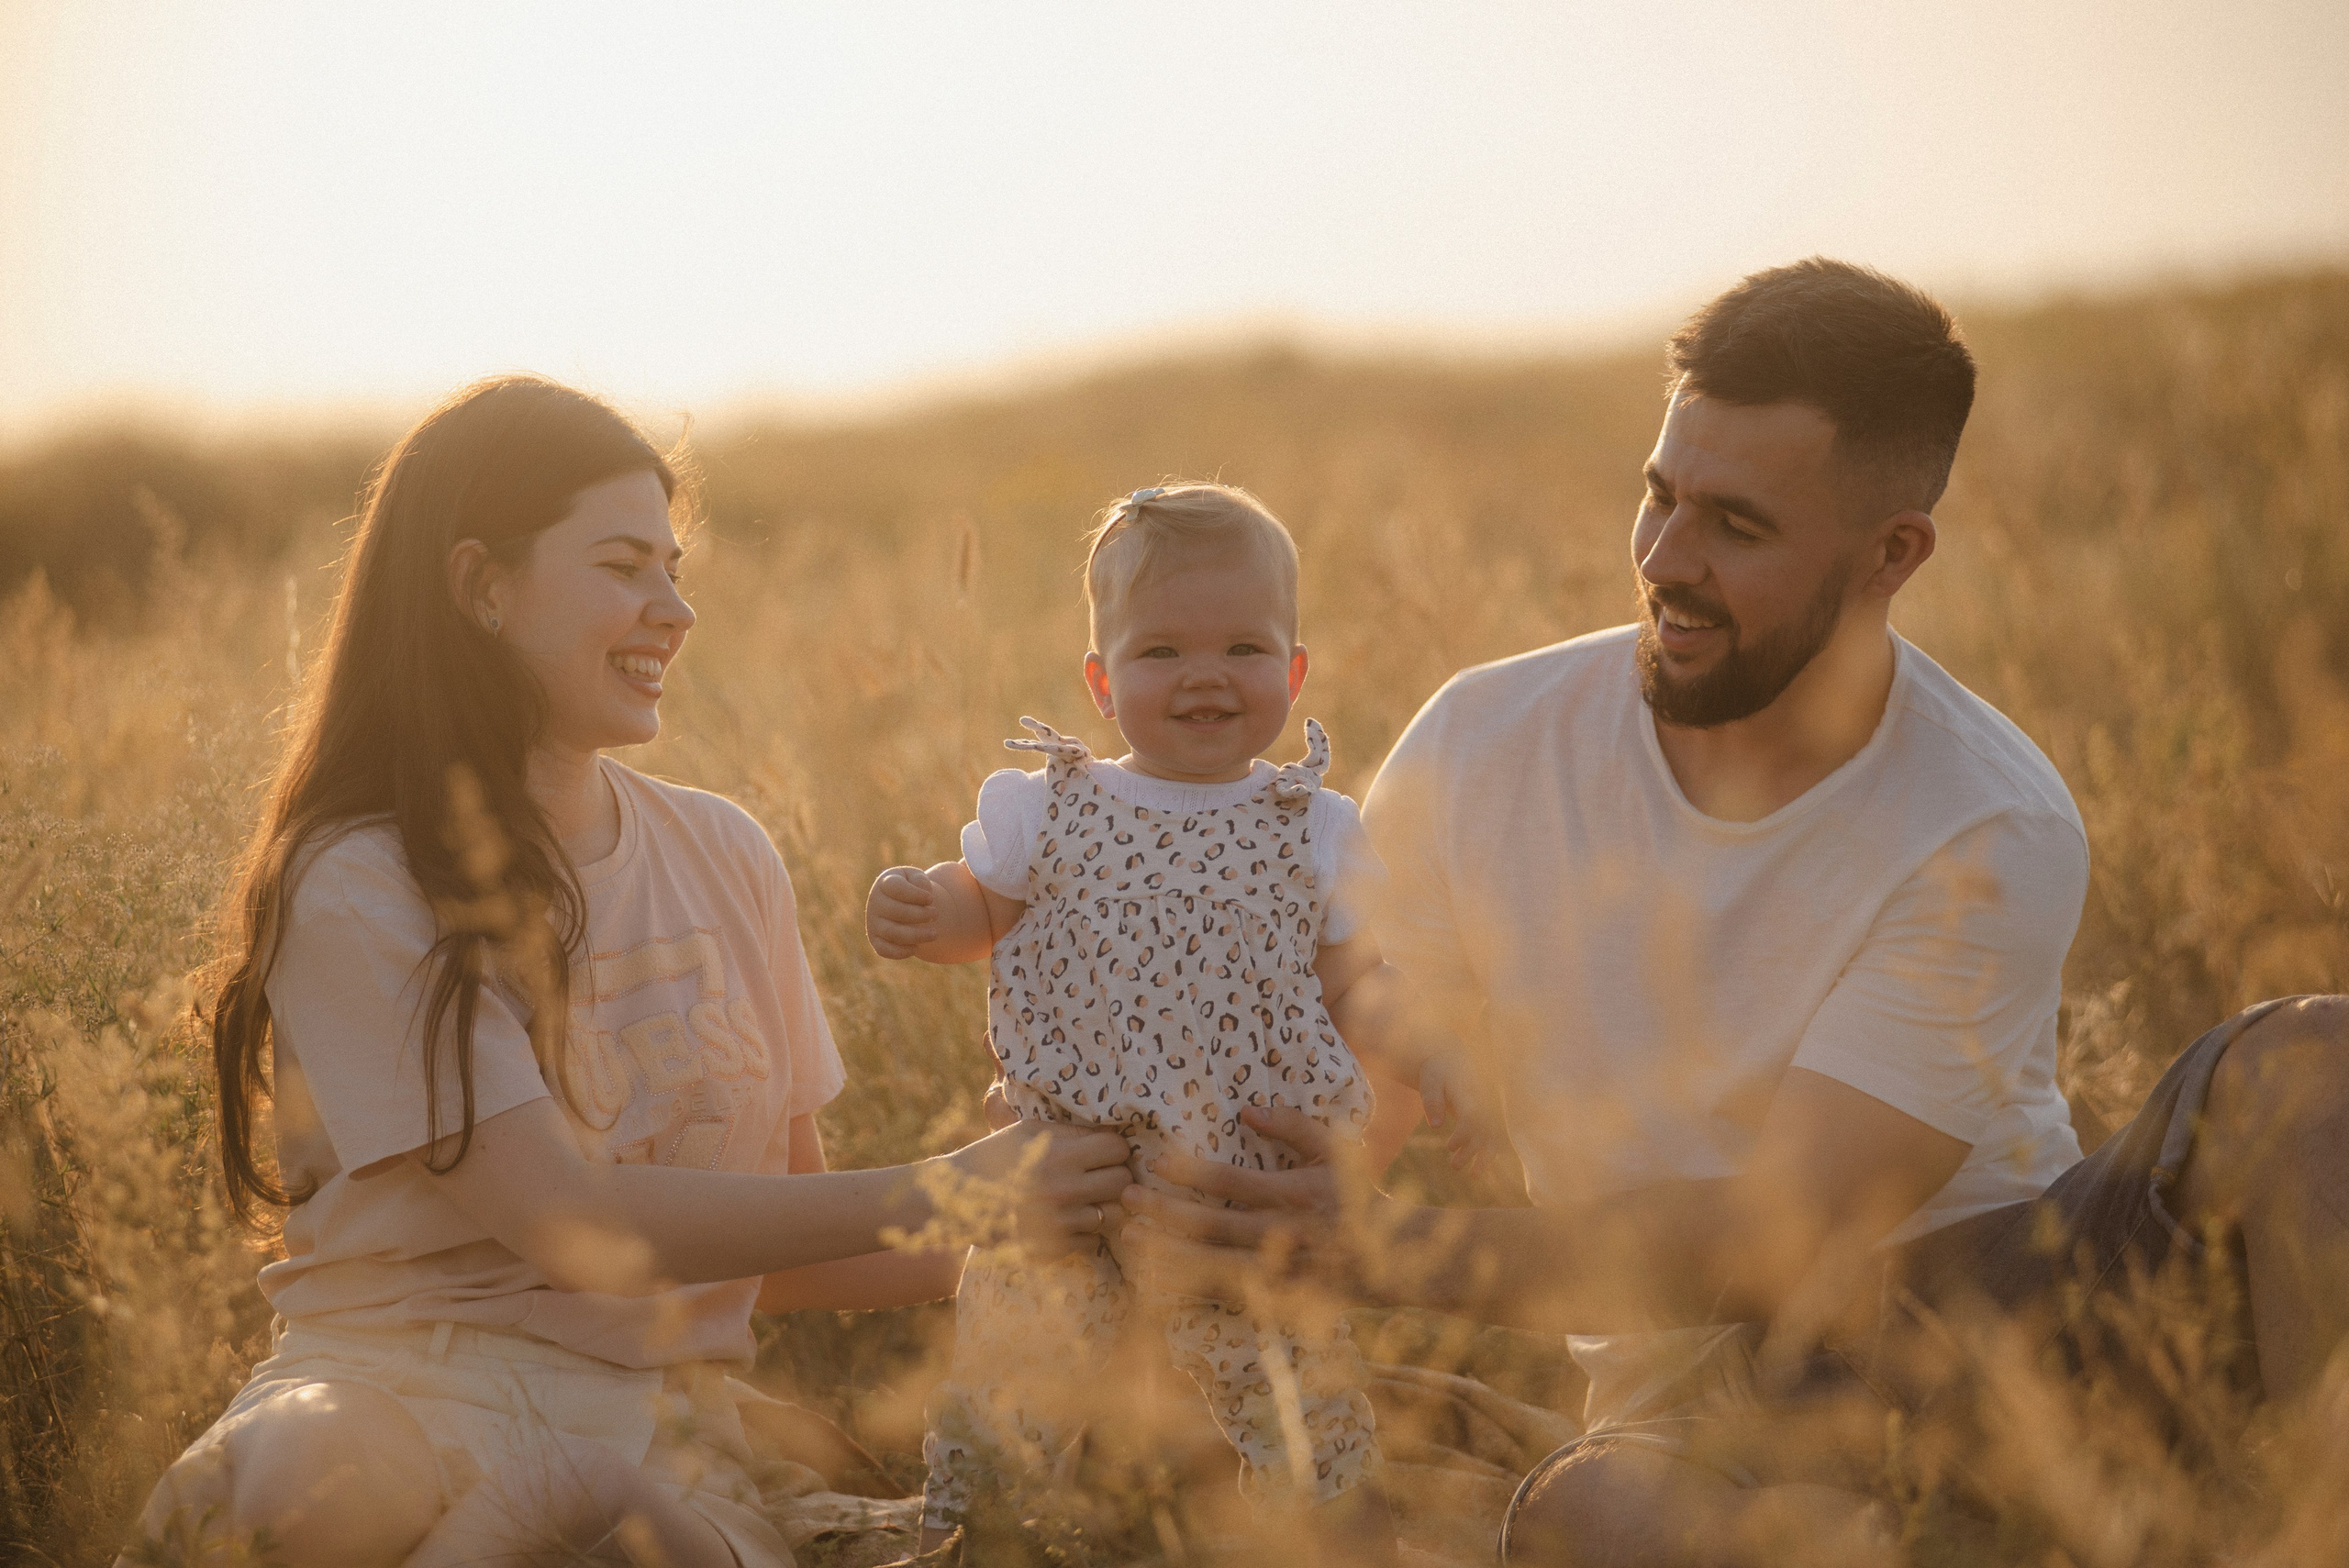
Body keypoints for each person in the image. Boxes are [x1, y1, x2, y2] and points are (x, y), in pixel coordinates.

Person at [1116, 260, 2349, 1565]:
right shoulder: (1485, 741)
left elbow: (1780, 1237)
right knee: (1593, 1511)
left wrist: (1386, 1250)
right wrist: (1146, 1131)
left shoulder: (1987, 819)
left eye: (1736, 527)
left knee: (2313, 1063)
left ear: (1893, 554)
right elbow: (1354, 1085)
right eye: (1659, 496)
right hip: (1701, 1409)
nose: (1665, 560)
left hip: (2012, 1309)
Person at [119, 376, 1134, 1568]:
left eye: (675, 568)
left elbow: (792, 1247)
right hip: (395, 1399)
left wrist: (1066, 1204)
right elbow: (568, 1222)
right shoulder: (355, 874)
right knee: (306, 1485)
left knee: (627, 1535)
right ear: (480, 587)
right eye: (622, 567)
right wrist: (955, 1186)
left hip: (660, 1448)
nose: (674, 611)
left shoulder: (724, 852)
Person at [863, 483, 1499, 1562]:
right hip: (1064, 1173)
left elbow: (1356, 983)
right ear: (1101, 681)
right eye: (1160, 651)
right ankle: (978, 1540)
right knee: (1010, 1398)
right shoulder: (1051, 804)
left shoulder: (1311, 828)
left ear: (1294, 673)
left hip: (1236, 1189)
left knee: (1303, 1408)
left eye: (1243, 647)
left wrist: (1430, 1049)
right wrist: (930, 907)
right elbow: (986, 911)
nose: (1204, 674)